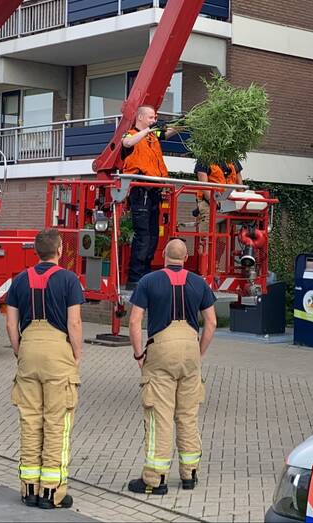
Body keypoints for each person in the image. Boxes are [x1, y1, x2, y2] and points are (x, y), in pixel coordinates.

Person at [126, 239, 217, 495]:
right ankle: (190, 474)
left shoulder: (148, 281)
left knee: (160, 416)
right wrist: (199, 352)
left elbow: (134, 321)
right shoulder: (199, 283)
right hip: (190, 350)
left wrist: (139, 354)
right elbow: (210, 322)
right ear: (186, 257)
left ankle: (155, 480)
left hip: (161, 350)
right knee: (188, 415)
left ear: (164, 254)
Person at [5, 229, 84, 510]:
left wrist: (19, 350)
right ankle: (52, 492)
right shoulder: (69, 279)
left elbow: (10, 323)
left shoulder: (20, 280)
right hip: (57, 352)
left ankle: (29, 488)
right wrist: (76, 353)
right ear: (59, 250)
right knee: (56, 422)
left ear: (36, 251)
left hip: (28, 349)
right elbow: (74, 323)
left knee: (30, 420)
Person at [121, 105, 177, 289]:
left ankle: (145, 275)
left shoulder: (153, 136)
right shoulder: (130, 134)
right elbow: (127, 143)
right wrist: (148, 130)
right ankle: (134, 278)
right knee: (143, 236)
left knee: (153, 236)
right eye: (151, 117)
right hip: (140, 191)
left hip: (154, 191)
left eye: (155, 118)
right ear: (140, 118)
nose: (154, 120)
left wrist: (181, 123)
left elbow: (165, 134)